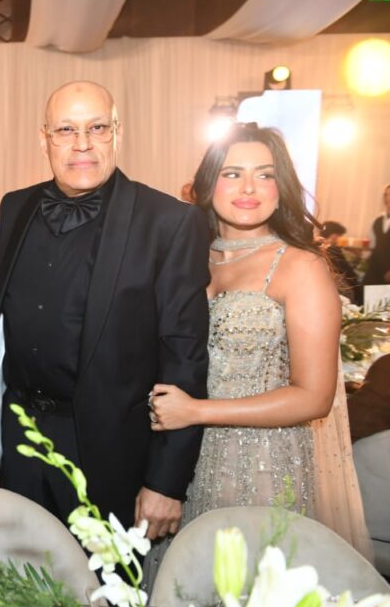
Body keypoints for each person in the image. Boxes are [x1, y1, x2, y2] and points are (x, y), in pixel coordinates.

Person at [0, 80, 210, 539]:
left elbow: (184, 360)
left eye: (97, 128)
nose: (82, 143)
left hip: (109, 451)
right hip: (17, 437)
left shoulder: (170, 222)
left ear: (117, 133)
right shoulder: (16, 205)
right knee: (14, 576)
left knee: (102, 585)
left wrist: (166, 482)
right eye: (66, 129)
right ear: (44, 139)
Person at [150, 123, 372, 558]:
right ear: (207, 183)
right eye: (232, 173)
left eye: (265, 174)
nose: (249, 187)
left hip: (260, 464)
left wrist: (196, 411)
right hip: (180, 459)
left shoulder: (301, 267)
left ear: (281, 186)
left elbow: (314, 397)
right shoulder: (185, 257)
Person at [319, 221, 362, 305]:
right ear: (334, 235)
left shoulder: (318, 246)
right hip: (338, 284)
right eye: (339, 235)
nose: (340, 238)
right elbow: (347, 271)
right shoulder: (332, 249)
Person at [364, 184, 390, 286]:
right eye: (386, 195)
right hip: (374, 271)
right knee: (368, 295)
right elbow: (372, 245)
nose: (388, 198)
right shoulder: (376, 221)